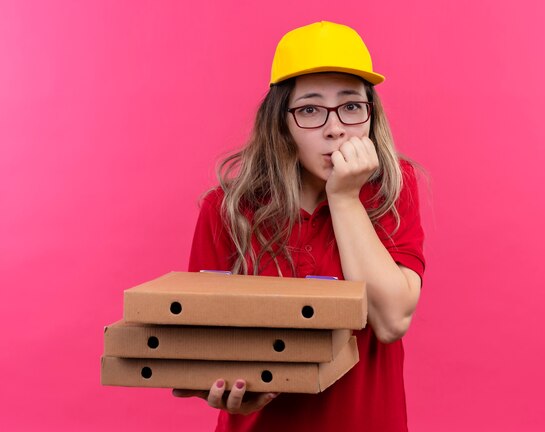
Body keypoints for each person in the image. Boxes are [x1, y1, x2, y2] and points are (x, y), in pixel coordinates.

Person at [173, 21, 426, 432]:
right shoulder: (228, 208)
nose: (335, 127)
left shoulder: (393, 189)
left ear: (370, 114)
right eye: (310, 109)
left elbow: (392, 320)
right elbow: (203, 342)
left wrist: (344, 197)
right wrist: (219, 389)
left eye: (351, 106)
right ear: (282, 124)